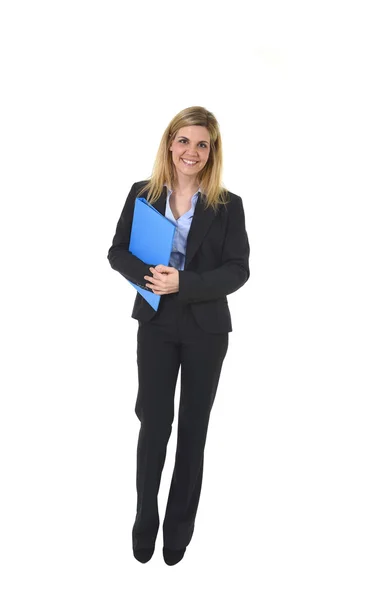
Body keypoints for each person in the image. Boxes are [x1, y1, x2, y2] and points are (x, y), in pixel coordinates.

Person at [107, 106, 250, 566]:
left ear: (212, 152)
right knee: (154, 424)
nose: (192, 151)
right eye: (185, 141)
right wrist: (152, 277)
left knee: (192, 428)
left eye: (202, 144)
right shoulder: (142, 194)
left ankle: (179, 528)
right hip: (156, 320)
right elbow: (116, 252)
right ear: (170, 143)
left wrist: (183, 283)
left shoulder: (228, 206)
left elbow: (237, 270)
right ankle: (144, 518)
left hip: (206, 327)